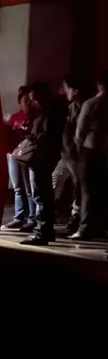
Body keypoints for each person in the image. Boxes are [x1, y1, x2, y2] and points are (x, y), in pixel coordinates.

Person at [20, 82, 67, 246]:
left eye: (34, 99)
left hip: (42, 157)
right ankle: (45, 230)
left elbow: (46, 136)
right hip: (46, 156)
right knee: (43, 194)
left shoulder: (50, 113)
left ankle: (42, 232)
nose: (33, 103)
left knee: (41, 194)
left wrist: (28, 136)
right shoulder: (52, 110)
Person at [74, 71, 108, 242]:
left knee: (87, 191)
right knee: (103, 191)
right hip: (105, 152)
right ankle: (101, 227)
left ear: (98, 84)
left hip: (90, 150)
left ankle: (84, 228)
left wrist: (79, 146)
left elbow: (79, 132)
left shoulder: (91, 103)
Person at [53, 75, 85, 237]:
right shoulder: (71, 107)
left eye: (67, 88)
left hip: (79, 155)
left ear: (76, 90)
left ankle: (75, 217)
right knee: (56, 181)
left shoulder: (86, 107)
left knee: (78, 187)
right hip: (67, 154)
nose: (64, 91)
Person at [2, 86, 36, 231]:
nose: (27, 104)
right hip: (14, 155)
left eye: (29, 101)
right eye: (25, 101)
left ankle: (33, 218)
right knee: (17, 188)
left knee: (30, 188)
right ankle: (18, 217)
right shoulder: (15, 118)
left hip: (27, 156)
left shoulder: (35, 118)